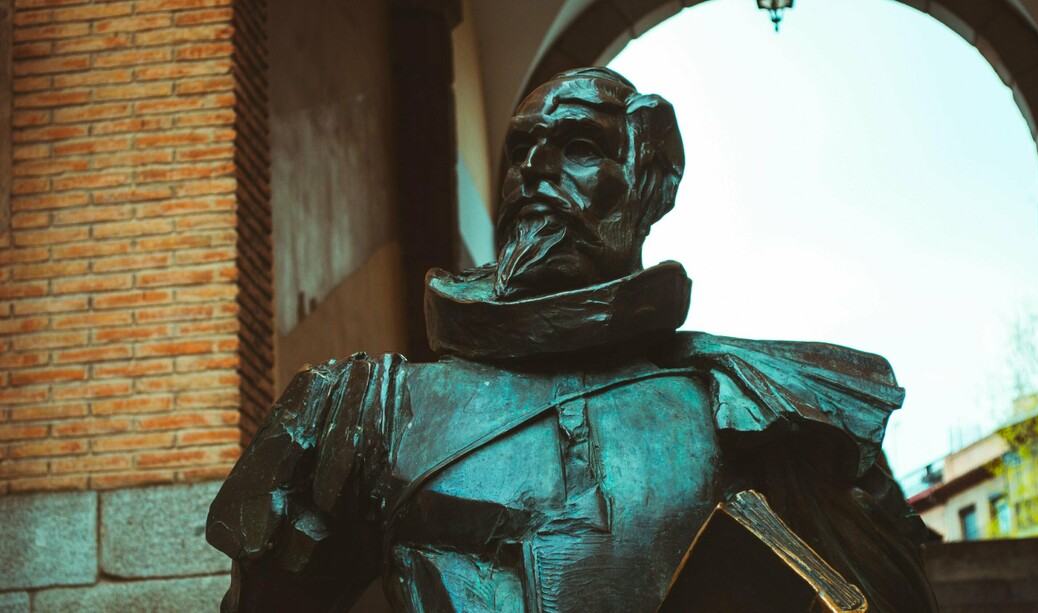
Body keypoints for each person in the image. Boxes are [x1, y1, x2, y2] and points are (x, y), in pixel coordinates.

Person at [207, 67, 936, 612]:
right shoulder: (363, 409)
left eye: (580, 144)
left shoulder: (766, 408)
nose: (535, 171)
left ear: (653, 179)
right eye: (522, 150)